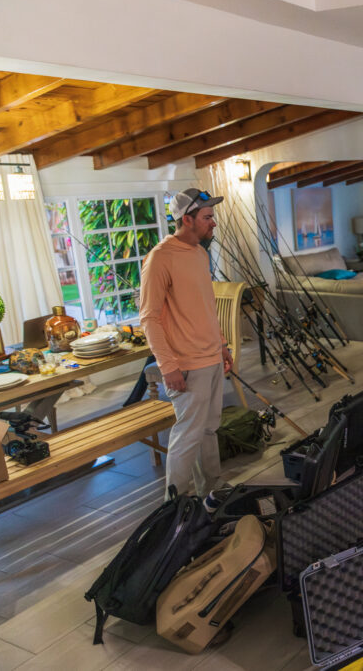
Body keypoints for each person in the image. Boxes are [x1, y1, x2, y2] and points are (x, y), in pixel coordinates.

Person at [140, 188, 233, 499]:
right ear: (187, 219)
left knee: (209, 429)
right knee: (188, 436)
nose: (213, 223)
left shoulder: (199, 253)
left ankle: (213, 490)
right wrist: (168, 367)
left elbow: (206, 305)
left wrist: (221, 345)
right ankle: (174, 506)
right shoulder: (160, 258)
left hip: (211, 358)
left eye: (212, 217)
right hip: (187, 365)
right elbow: (149, 318)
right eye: (207, 218)